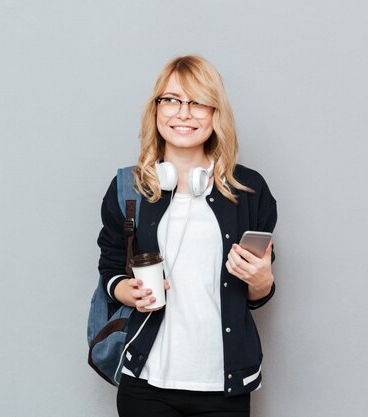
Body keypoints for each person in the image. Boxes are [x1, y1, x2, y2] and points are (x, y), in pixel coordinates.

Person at [97, 55, 277, 417]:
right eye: (172, 100)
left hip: (223, 384)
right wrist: (125, 291)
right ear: (156, 110)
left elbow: (258, 295)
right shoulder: (127, 189)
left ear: (215, 114)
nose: (183, 113)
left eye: (197, 102)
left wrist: (262, 280)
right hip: (146, 381)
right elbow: (110, 267)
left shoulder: (249, 190)